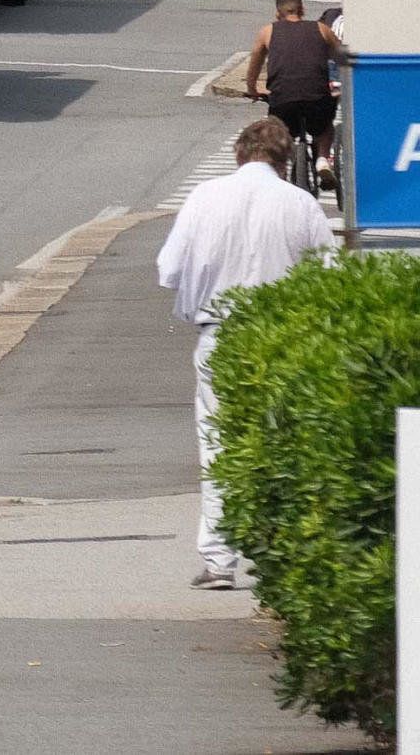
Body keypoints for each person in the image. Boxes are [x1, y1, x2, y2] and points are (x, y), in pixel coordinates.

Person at [157, 116, 336, 589]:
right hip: (284, 336)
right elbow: (329, 277)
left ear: (239, 153)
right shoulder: (301, 205)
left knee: (218, 443)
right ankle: (277, 551)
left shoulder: (204, 198)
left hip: (220, 333)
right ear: (283, 161)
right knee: (281, 441)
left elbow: (168, 269)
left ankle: (219, 560)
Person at [244, 0, 339, 179]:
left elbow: (255, 61)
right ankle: (322, 159)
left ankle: (280, 170)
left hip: (282, 100)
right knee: (325, 127)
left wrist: (252, 89)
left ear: (278, 13)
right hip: (317, 98)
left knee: (278, 133)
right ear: (302, 9)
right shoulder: (322, 29)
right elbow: (341, 57)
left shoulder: (268, 31)